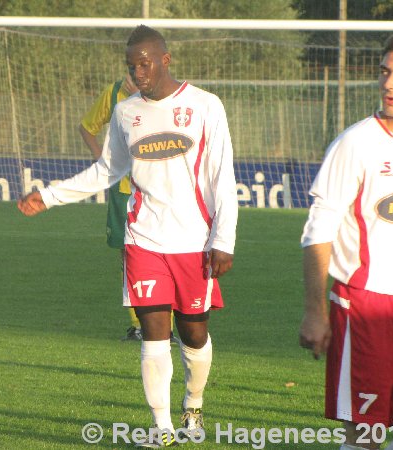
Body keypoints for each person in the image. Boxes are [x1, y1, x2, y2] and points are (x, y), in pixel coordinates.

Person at [19, 25, 237, 447]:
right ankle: (163, 429)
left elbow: (221, 176)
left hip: (195, 241)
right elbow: (107, 170)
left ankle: (193, 404)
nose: (138, 72)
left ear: (165, 59)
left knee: (194, 334)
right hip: (144, 240)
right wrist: (49, 196)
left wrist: (223, 239)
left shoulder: (205, 105)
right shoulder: (125, 113)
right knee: (154, 335)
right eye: (131, 66)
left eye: (145, 63)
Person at [299, 30, 393, 450]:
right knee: (366, 435)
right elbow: (317, 232)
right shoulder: (356, 143)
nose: (389, 83)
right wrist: (315, 312)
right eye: (385, 72)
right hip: (366, 311)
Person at [79, 74, 180, 344]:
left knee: (161, 254)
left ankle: (164, 326)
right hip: (122, 191)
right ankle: (139, 325)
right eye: (133, 64)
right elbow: (87, 127)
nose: (138, 71)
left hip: (155, 188)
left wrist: (143, 98)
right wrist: (102, 158)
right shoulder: (112, 94)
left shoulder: (164, 94)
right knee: (129, 257)